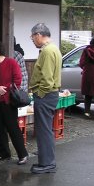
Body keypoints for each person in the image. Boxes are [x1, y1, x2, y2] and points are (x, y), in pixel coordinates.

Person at [0, 39, 29, 165]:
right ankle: (4, 154)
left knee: (13, 128)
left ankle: (23, 154)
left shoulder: (11, 62)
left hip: (9, 101)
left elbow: (17, 80)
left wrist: (4, 90)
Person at [28, 23, 62, 174]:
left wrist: (39, 94)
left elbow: (47, 80)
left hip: (46, 95)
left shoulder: (47, 51)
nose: (32, 40)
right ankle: (46, 159)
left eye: (32, 37)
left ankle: (47, 163)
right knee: (45, 129)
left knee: (44, 130)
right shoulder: (53, 49)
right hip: (49, 95)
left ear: (39, 35)